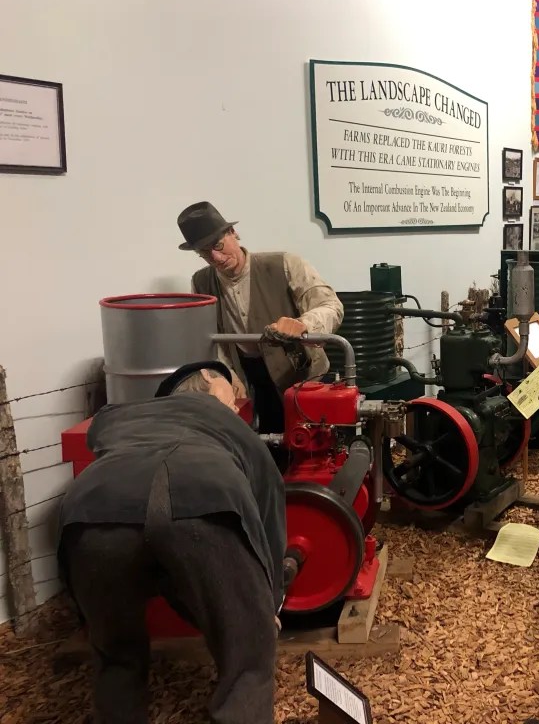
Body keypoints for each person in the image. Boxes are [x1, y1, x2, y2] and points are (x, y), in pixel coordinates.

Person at [56, 361, 287, 723]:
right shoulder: (220, 416)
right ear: (208, 377)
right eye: (233, 390)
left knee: (115, 651)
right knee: (248, 652)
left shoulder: (118, 416)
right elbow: (269, 497)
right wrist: (268, 602)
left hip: (92, 509)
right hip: (202, 497)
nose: (236, 402)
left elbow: (97, 438)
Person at [177, 200, 344, 433]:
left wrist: (304, 324)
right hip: (253, 379)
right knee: (270, 440)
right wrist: (227, 374)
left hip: (304, 378)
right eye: (205, 253)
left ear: (233, 232)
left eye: (218, 245)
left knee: (315, 441)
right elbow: (209, 338)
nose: (216, 257)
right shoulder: (201, 282)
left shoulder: (285, 264)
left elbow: (331, 305)